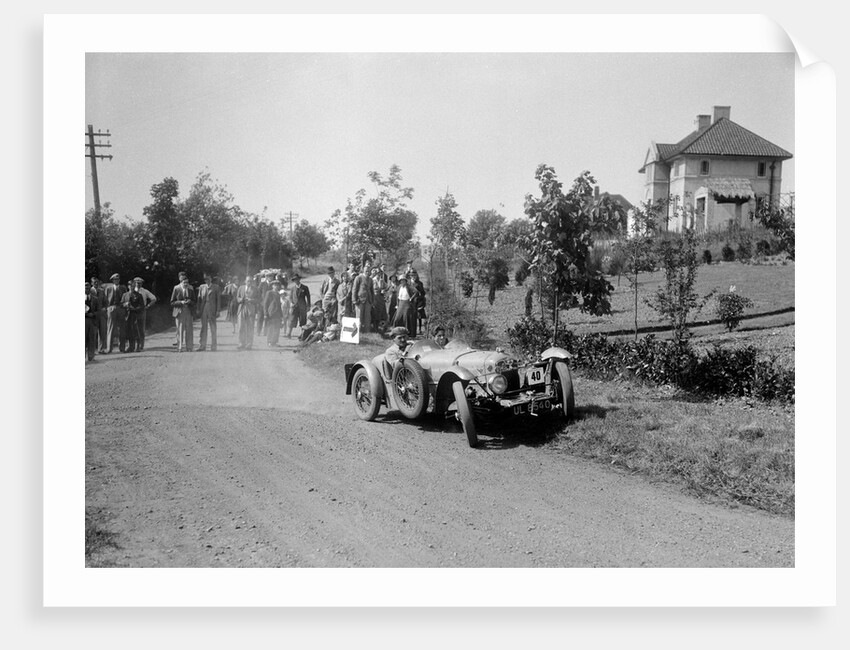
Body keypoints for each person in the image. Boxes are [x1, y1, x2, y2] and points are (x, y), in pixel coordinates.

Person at [196, 272, 221, 351]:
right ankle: (202, 346)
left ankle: (213, 346)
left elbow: (218, 300)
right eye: (205, 279)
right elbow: (199, 299)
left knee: (213, 328)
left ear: (211, 278)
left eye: (207, 278)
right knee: (203, 327)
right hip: (204, 308)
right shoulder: (202, 287)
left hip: (212, 308)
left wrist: (218, 310)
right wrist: (198, 309)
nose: (206, 280)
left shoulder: (216, 287)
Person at [103, 272, 127, 353]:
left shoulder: (123, 288)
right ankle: (109, 348)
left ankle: (122, 347)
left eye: (118, 279)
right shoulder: (108, 288)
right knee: (110, 328)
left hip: (120, 308)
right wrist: (107, 308)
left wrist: (124, 307)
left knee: (122, 328)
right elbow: (105, 299)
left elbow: (125, 298)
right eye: (115, 279)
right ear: (112, 280)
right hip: (111, 308)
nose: (117, 280)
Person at [170, 274, 195, 352]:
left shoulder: (190, 289)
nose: (186, 284)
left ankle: (189, 347)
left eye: (187, 282)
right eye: (184, 283)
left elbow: (194, 301)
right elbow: (172, 302)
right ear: (181, 282)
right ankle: (179, 347)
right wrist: (181, 302)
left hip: (188, 311)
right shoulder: (176, 288)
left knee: (189, 330)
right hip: (179, 311)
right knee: (180, 330)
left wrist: (190, 301)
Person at [132, 277, 157, 351]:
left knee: (141, 328)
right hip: (132, 310)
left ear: (142, 284)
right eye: (137, 283)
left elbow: (154, 299)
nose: (138, 284)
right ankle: (133, 345)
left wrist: (148, 306)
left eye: (140, 283)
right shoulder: (132, 290)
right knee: (133, 327)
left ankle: (141, 345)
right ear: (134, 283)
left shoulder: (145, 291)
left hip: (141, 311)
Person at [122, 280, 146, 352]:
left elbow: (142, 306)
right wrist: (125, 304)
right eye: (130, 285)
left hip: (135, 315)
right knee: (129, 331)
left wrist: (134, 308)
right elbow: (121, 304)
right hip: (127, 315)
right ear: (128, 286)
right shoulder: (125, 295)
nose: (131, 287)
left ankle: (138, 346)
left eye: (133, 286)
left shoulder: (139, 295)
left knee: (136, 330)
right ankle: (130, 346)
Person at [351, 261, 374, 334]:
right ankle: (357, 332)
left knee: (367, 317)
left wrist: (372, 300)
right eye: (366, 270)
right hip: (360, 300)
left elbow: (372, 290)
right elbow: (354, 289)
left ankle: (367, 331)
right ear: (363, 270)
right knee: (359, 317)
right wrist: (354, 300)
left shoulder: (370, 279)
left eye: (368, 271)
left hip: (368, 300)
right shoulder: (358, 278)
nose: (367, 272)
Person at [236, 274, 258, 350]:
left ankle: (249, 344)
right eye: (248, 281)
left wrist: (252, 300)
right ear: (245, 281)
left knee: (250, 326)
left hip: (251, 308)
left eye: (251, 281)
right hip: (242, 308)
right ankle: (241, 343)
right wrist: (240, 300)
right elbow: (237, 297)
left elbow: (259, 299)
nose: (249, 282)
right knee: (241, 326)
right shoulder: (241, 288)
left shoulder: (255, 289)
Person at [286, 273, 310, 339]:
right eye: (294, 280)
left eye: (297, 279)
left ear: (299, 279)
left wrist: (308, 306)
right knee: (292, 320)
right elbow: (290, 297)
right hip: (294, 307)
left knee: (303, 321)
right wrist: (291, 303)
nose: (296, 281)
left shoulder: (305, 287)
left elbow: (308, 297)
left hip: (302, 307)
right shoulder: (292, 288)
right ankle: (289, 333)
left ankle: (302, 334)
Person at [264, 278, 284, 347]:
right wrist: (265, 313)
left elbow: (279, 305)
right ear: (272, 286)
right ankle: (269, 342)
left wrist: (281, 315)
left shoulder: (278, 294)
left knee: (277, 328)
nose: (276, 286)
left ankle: (274, 342)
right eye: (275, 285)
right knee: (270, 328)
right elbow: (265, 303)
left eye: (277, 285)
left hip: (277, 313)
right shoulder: (269, 293)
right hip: (271, 313)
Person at [90, 277, 108, 354]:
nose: (96, 283)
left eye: (97, 282)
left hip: (101, 314)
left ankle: (101, 349)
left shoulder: (101, 291)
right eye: (94, 282)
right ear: (92, 283)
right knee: (93, 333)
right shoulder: (89, 291)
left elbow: (106, 301)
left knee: (102, 332)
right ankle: (92, 350)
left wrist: (105, 308)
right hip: (93, 315)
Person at [85, 281, 100, 361]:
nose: (86, 290)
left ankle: (91, 356)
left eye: (88, 288)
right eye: (85, 288)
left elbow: (98, 310)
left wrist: (93, 314)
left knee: (92, 338)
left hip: (92, 320)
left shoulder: (95, 299)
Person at [371, 266, 388, 333]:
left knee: (381, 313)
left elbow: (386, 287)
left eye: (379, 273)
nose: (378, 274)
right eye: (377, 273)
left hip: (380, 298)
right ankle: (374, 328)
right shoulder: (372, 280)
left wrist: (384, 290)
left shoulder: (382, 280)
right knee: (375, 312)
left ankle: (380, 327)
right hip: (374, 298)